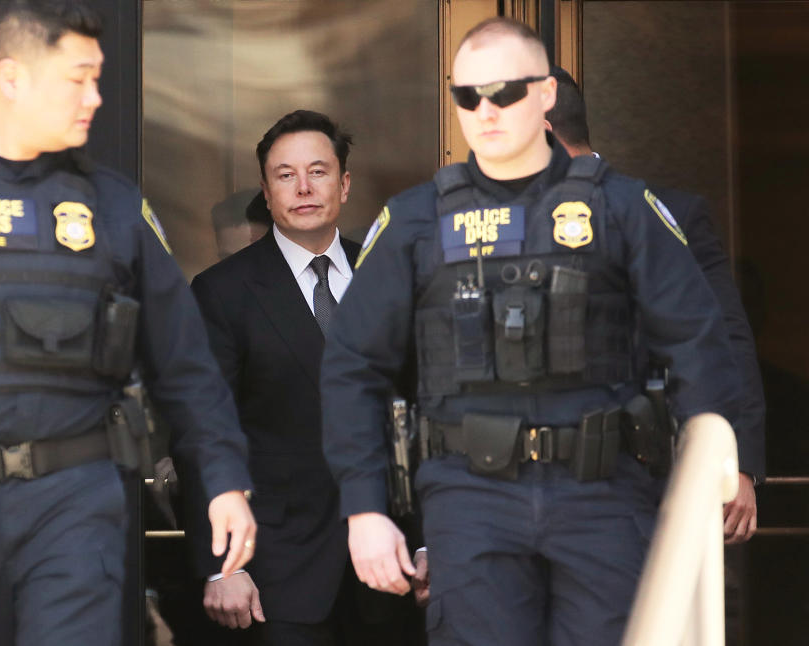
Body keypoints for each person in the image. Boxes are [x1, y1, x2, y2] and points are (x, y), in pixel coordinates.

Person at [320, 17, 742, 646]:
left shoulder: (621, 208)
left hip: (603, 491)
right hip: (470, 496)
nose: (484, 111)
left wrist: (712, 478)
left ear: (546, 94)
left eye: (505, 93)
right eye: (467, 96)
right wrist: (364, 509)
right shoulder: (413, 221)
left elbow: (697, 340)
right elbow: (353, 365)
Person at [0, 2, 255, 645]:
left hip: (80, 506)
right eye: (78, 78)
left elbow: (187, 366)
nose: (96, 97)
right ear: (13, 77)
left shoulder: (116, 207)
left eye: (99, 77)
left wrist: (223, 482)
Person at [190, 109, 415, 646]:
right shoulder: (223, 291)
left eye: (318, 171)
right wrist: (222, 565)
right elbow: (201, 431)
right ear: (267, 193)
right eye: (285, 175)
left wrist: (427, 542)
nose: (303, 187)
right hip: (276, 565)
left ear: (344, 183)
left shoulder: (388, 277)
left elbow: (421, 411)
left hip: (390, 558)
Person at [544, 65, 765, 543]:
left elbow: (722, 338)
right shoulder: (492, 227)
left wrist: (736, 461)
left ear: (540, 127)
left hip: (648, 483)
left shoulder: (664, 213)